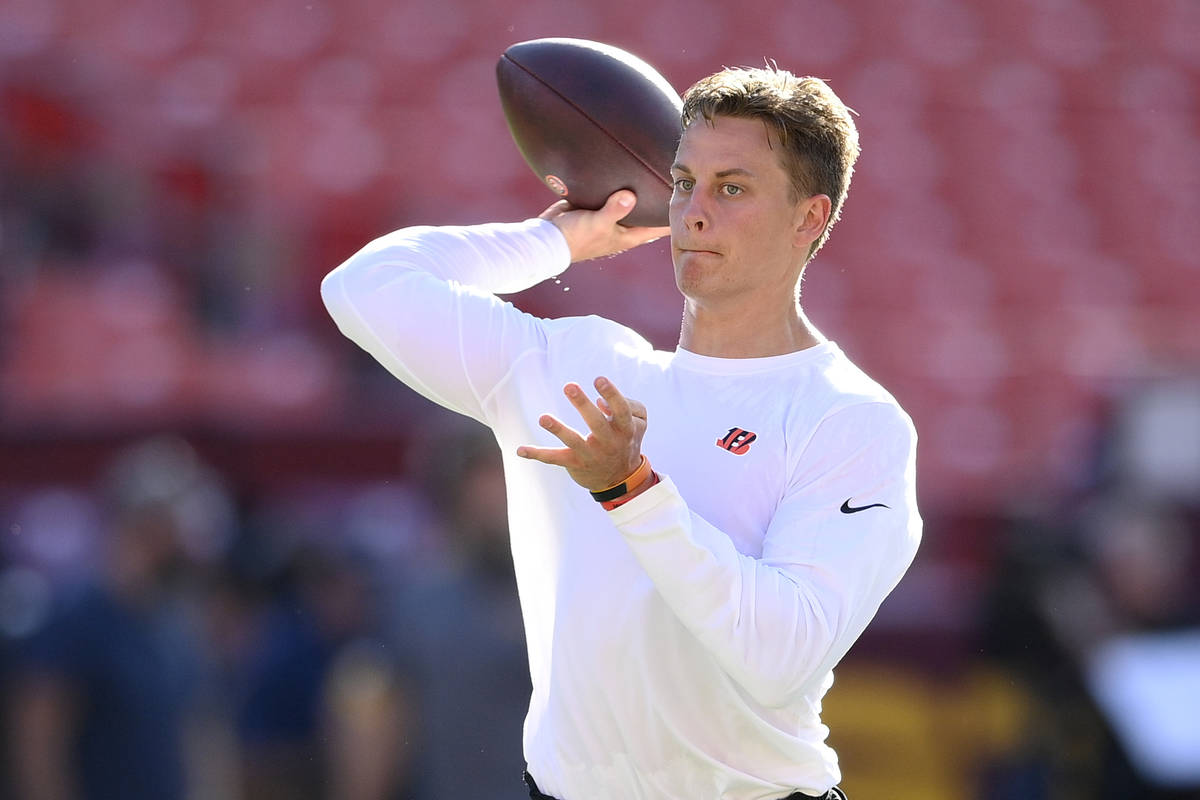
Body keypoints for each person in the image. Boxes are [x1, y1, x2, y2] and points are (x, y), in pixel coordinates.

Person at [321, 64, 922, 800]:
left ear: (808, 217)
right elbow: (360, 288)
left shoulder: (852, 419)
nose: (692, 213)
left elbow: (777, 654)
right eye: (682, 182)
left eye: (731, 188)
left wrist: (630, 489)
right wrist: (551, 243)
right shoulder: (582, 364)